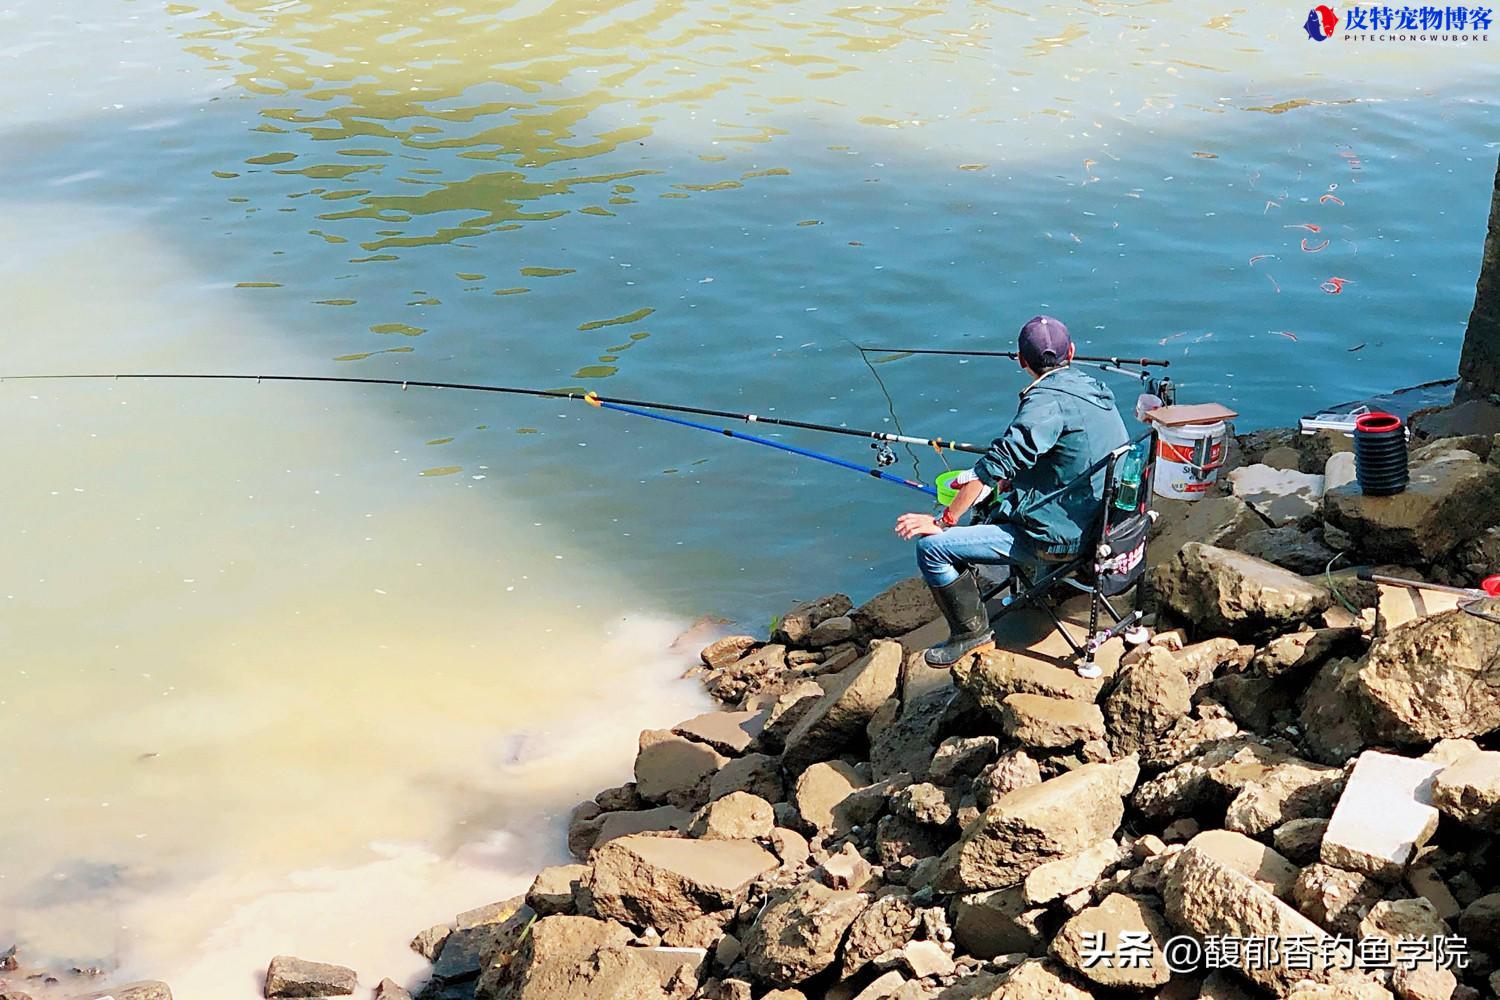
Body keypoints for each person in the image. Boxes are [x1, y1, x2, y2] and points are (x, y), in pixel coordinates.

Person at [894, 315, 1129, 673]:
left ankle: (969, 634)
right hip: (1110, 522)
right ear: (1072, 352)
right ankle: (1034, 589)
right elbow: (1063, 454)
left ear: (1021, 361)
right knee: (999, 497)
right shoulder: (1092, 388)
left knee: (931, 548)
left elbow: (994, 466)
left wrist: (943, 522)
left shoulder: (1044, 405)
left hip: (1062, 540)